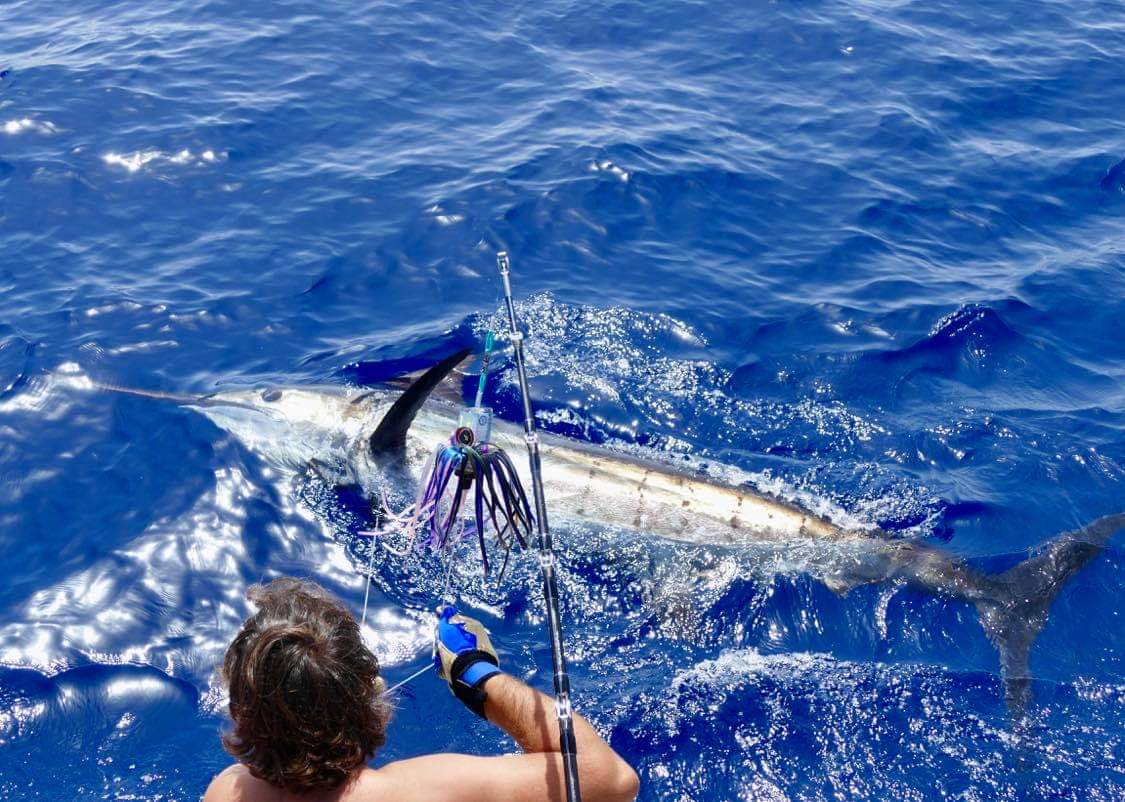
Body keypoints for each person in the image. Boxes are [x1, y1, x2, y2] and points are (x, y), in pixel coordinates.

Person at [203, 577, 639, 802]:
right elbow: (615, 781)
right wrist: (477, 674)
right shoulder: (428, 790)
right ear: (371, 697)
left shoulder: (227, 792)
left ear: (241, 712)